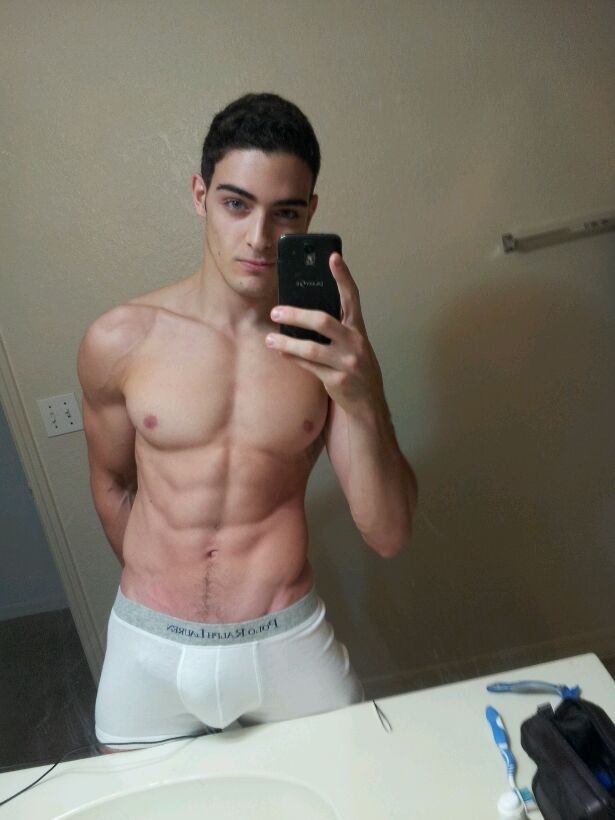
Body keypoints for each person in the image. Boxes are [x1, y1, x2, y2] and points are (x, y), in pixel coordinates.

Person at [78, 93, 417, 748]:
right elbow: (112, 484)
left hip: (285, 643)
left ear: (310, 212)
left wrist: (362, 391)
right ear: (200, 195)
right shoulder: (120, 340)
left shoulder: (328, 351)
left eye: (284, 212)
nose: (260, 238)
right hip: (148, 651)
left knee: (358, 788)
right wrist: (169, 589)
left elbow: (389, 534)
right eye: (237, 204)